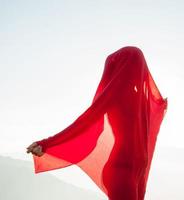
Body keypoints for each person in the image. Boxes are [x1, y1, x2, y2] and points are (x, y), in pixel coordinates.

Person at [26, 46, 168, 200]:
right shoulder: (115, 95)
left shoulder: (141, 98)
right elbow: (86, 121)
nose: (139, 69)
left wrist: (160, 104)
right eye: (135, 64)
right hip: (122, 171)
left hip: (137, 172)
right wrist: (48, 143)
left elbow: (152, 118)